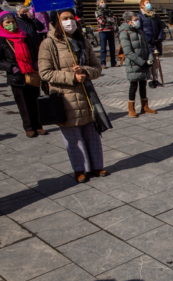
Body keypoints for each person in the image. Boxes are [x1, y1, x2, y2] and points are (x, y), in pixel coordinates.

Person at [38, 9, 107, 184]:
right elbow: (45, 73)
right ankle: (80, 169)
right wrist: (71, 76)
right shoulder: (48, 43)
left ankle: (97, 166)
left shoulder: (82, 40)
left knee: (92, 134)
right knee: (73, 136)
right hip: (65, 97)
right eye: (65, 19)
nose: (70, 21)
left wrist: (84, 71)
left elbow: (97, 68)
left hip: (87, 95)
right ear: (57, 22)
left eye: (71, 18)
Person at [0, 10, 45, 138]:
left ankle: (39, 125)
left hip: (31, 72)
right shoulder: (2, 40)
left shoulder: (24, 35)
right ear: (2, 24)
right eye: (8, 22)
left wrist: (36, 62)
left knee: (35, 100)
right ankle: (29, 127)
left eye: (13, 22)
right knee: (23, 103)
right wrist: (11, 67)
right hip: (16, 76)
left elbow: (34, 50)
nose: (11, 24)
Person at [119, 11, 157, 118]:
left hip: (144, 62)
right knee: (133, 86)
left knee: (143, 85)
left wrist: (149, 59)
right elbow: (128, 52)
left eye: (137, 19)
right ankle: (131, 108)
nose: (137, 21)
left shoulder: (139, 31)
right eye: (135, 19)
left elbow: (147, 47)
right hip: (134, 64)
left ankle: (145, 106)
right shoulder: (124, 33)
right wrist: (141, 62)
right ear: (128, 21)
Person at [95, 0, 117, 68]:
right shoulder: (97, 11)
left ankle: (113, 62)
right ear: (98, 3)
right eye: (101, 2)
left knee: (112, 48)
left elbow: (114, 19)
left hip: (110, 30)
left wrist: (108, 18)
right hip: (103, 31)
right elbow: (101, 21)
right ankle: (103, 63)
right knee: (103, 48)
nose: (103, 3)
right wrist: (108, 18)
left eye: (104, 2)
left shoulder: (109, 10)